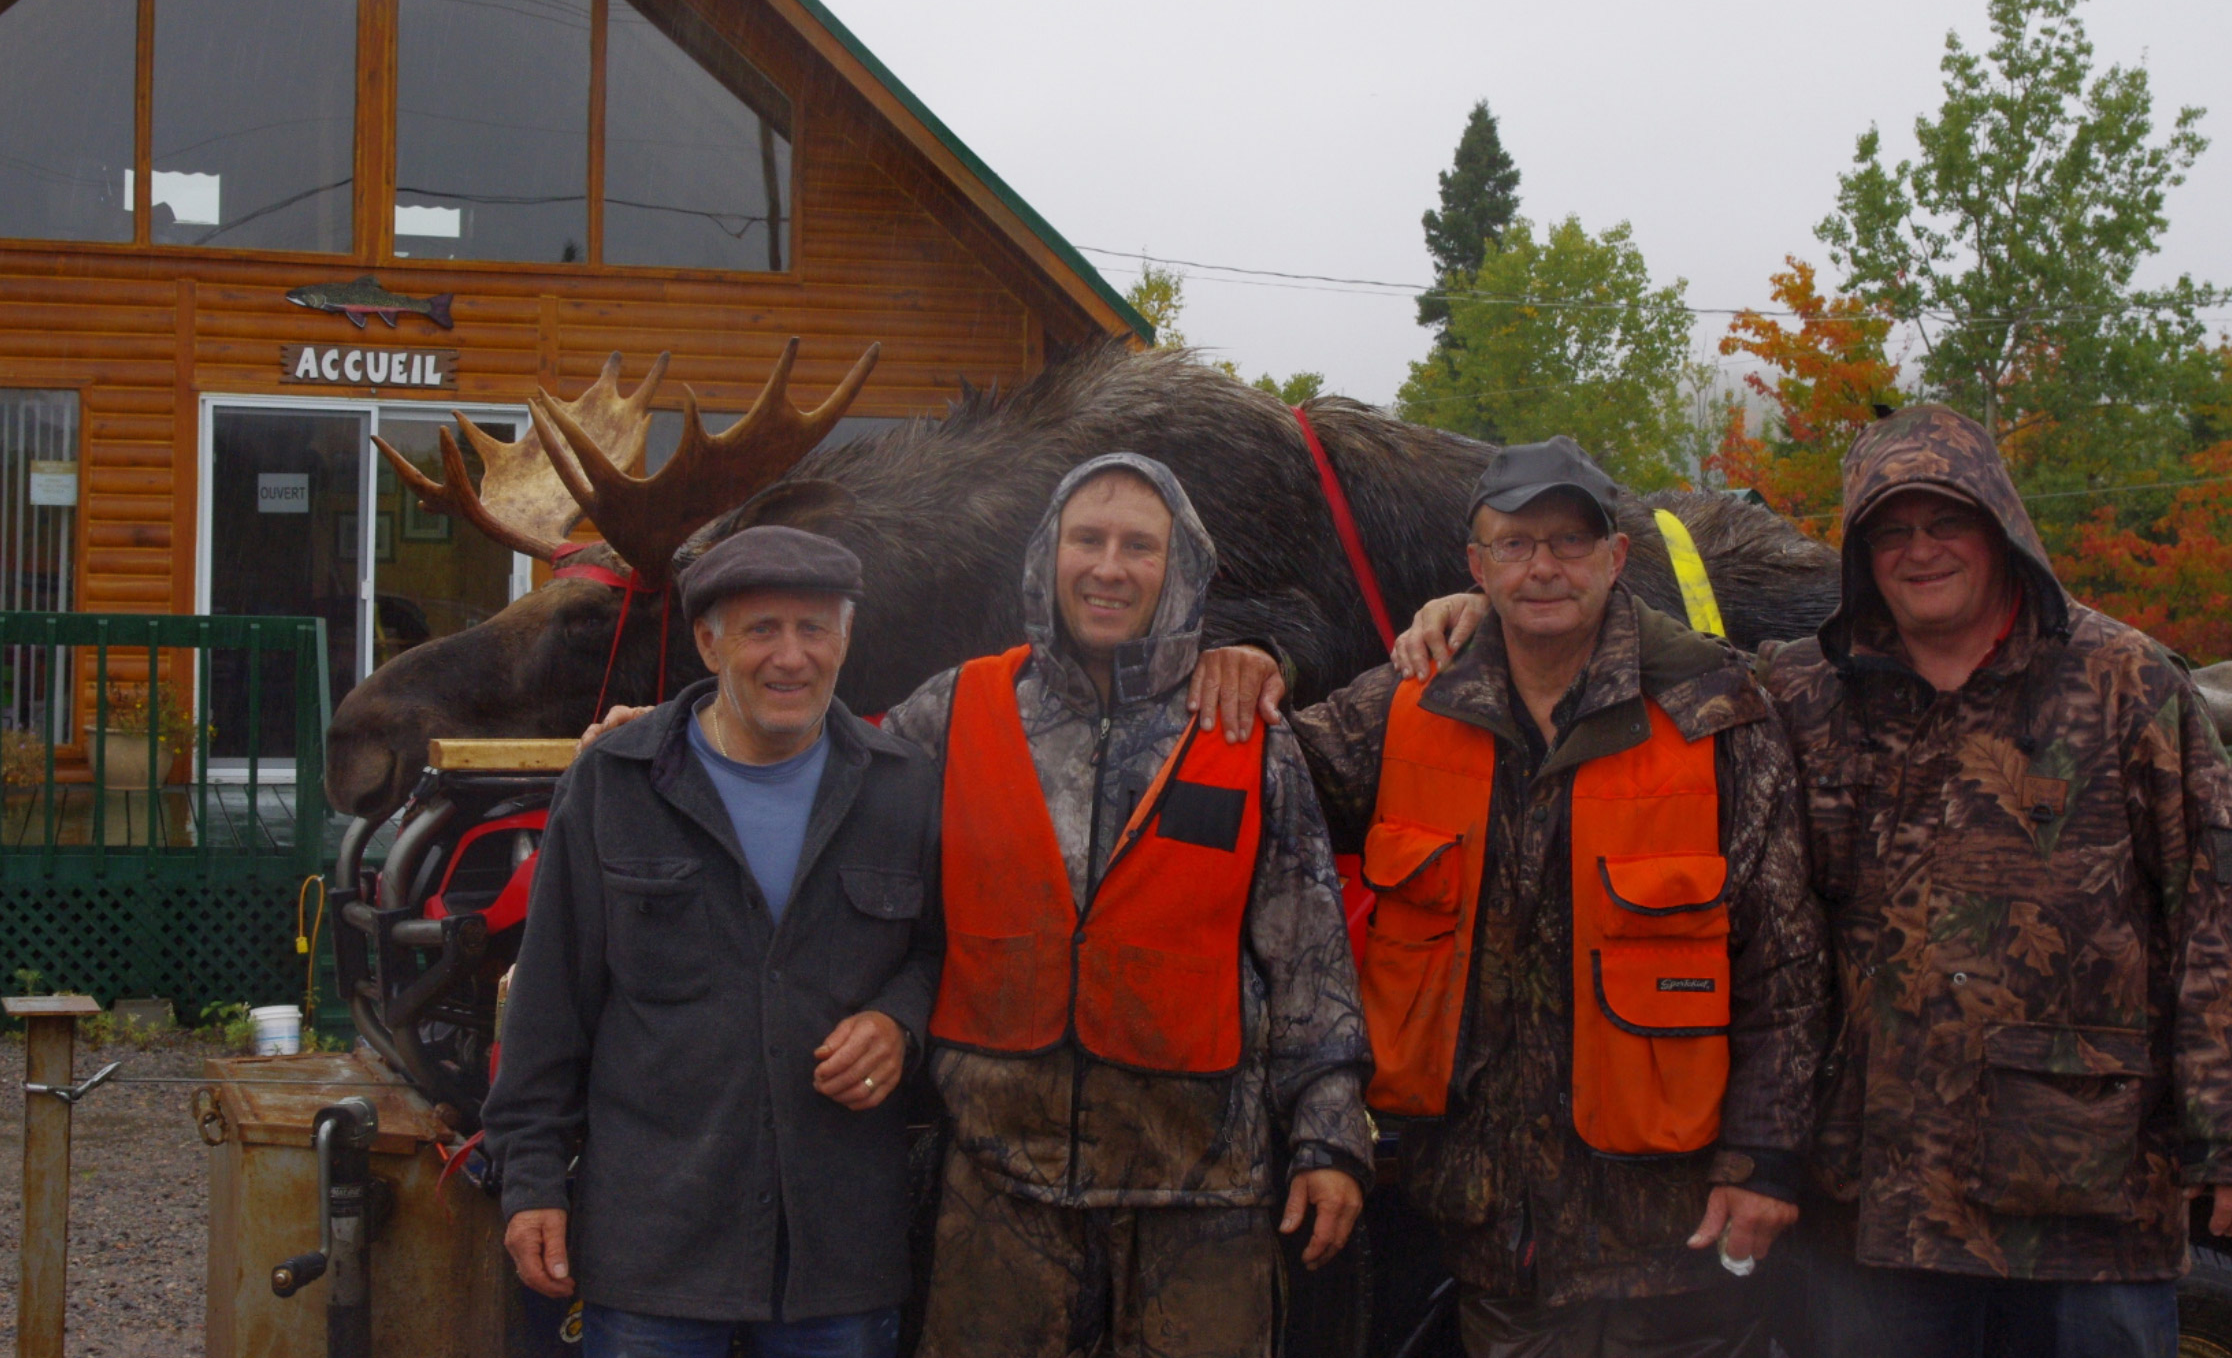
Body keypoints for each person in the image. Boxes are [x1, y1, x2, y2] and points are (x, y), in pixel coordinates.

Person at [1395, 408, 2232, 1358]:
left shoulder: (2129, 685)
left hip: (2088, 1189)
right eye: (1890, 531)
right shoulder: (1799, 690)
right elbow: (1628, 658)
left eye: (1945, 522)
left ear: (2000, 526)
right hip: (1875, 1199)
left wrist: (2223, 1133)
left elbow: (2214, 917)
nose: (1920, 552)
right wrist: (1489, 624)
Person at [1224, 436, 1825, 1356]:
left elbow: (1784, 963)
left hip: (1679, 1234)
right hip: (1495, 1236)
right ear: (1476, 565)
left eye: (1570, 542)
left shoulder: (1715, 711)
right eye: (1515, 544)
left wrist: (1767, 1164)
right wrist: (1246, 666)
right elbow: (1268, 788)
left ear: (1617, 558)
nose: (1543, 566)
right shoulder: (1405, 704)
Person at [883, 452, 1373, 1358]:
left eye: (1139, 546)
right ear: (1047, 557)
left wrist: (1330, 1138)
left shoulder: (1240, 728)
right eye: (1089, 539)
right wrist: (668, 726)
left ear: (1178, 570)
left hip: (1206, 1192)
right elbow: (813, 772)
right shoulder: (955, 711)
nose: (1110, 566)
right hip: (1001, 1187)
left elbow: (1309, 952)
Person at [481, 525, 939, 1358]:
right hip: (655, 1253)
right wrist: (532, 1183)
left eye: (813, 629)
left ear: (846, 638)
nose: (790, 657)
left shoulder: (905, 791)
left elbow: (946, 956)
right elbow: (546, 1009)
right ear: (707, 641)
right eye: (762, 629)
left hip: (836, 1261)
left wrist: (899, 1022)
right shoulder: (614, 783)